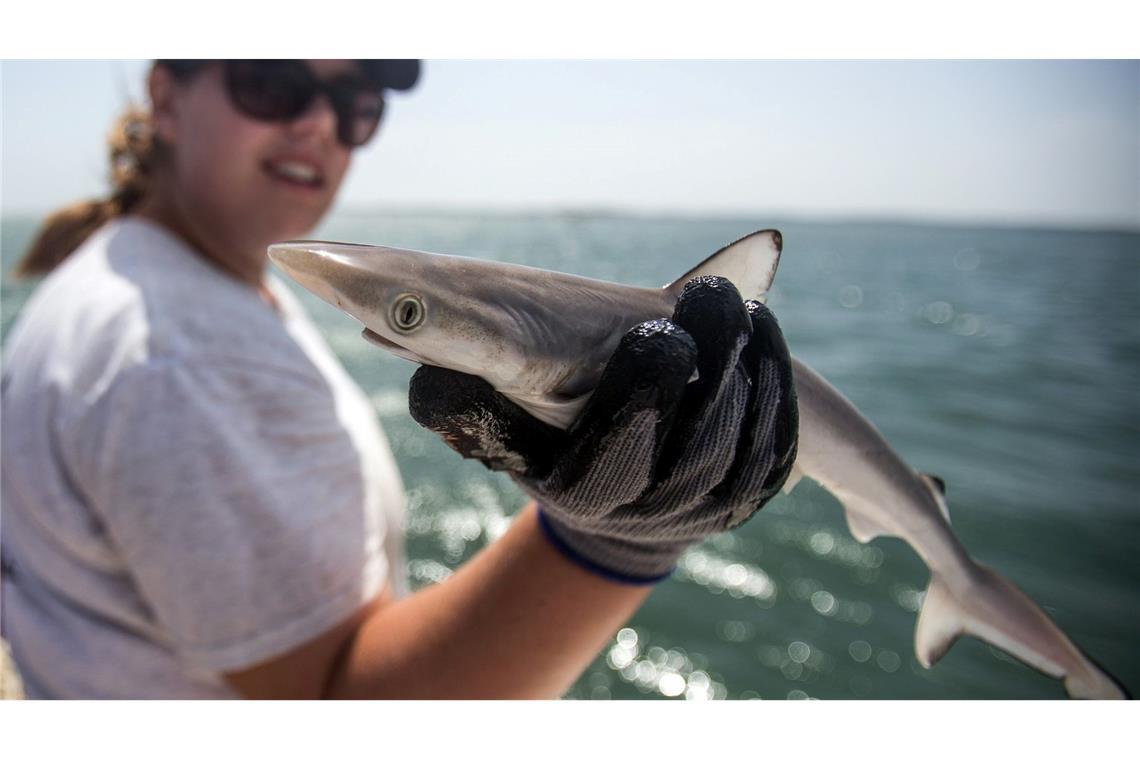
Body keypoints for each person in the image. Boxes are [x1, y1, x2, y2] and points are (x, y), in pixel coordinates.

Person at [0, 59, 798, 699]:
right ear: (165, 98)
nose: (318, 125)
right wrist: (614, 534)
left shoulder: (134, 274)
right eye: (272, 83)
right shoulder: (182, 358)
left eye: (355, 104)